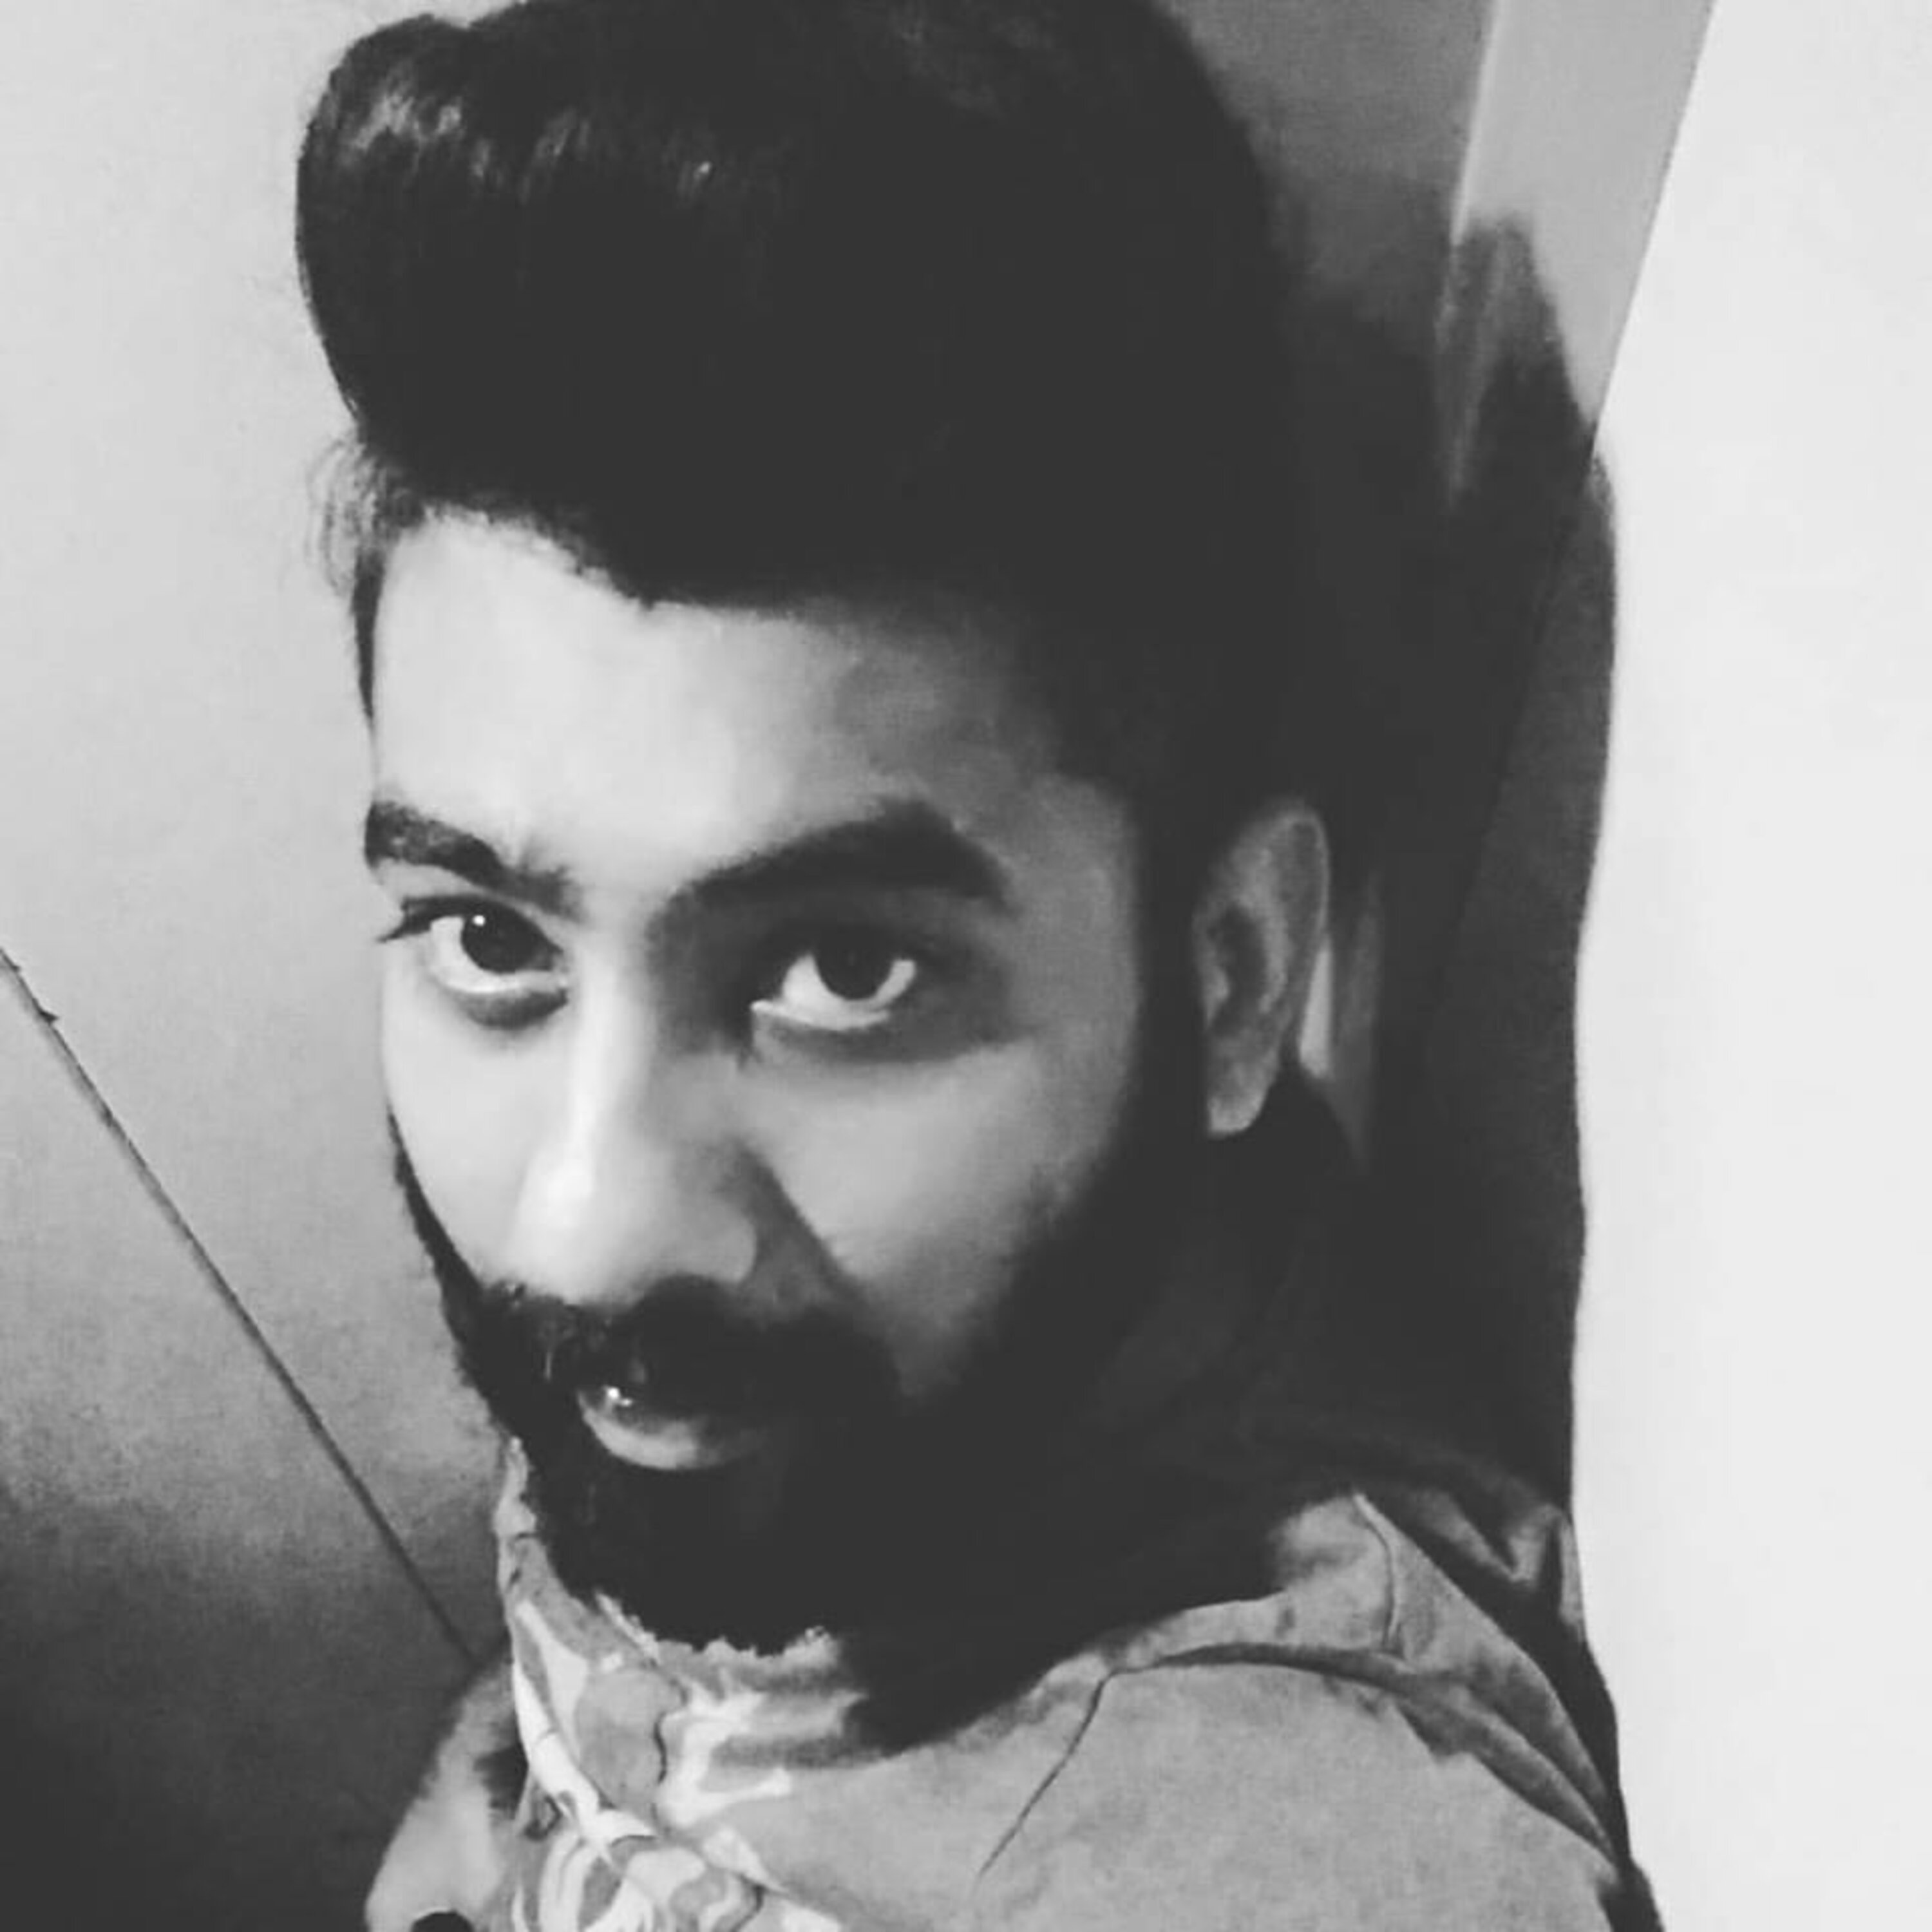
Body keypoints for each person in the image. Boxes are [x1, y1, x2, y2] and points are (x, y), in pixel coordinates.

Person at [296, 1, 1656, 1926]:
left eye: (843, 970)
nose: (584, 1229)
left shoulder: (1290, 1859)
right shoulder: (827, 1392)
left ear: (1233, 977)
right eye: (493, 937)